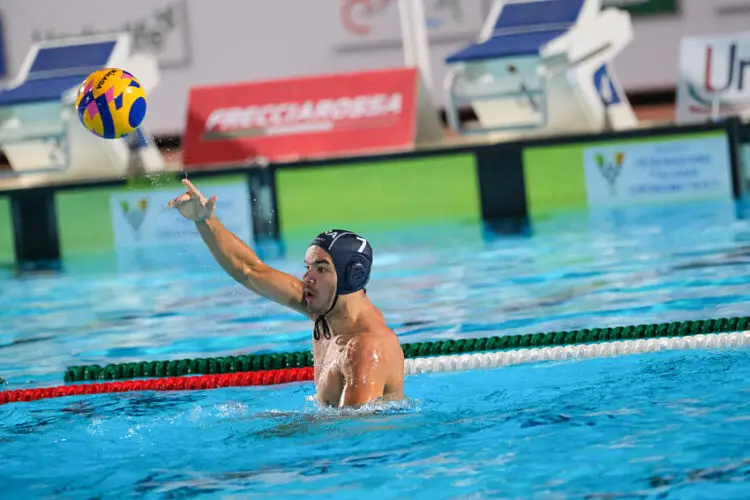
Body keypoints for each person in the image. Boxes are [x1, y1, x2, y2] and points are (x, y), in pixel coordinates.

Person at [167, 179, 404, 408]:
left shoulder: (366, 348)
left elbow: (353, 435)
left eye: (321, 269)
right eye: (307, 267)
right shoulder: (324, 309)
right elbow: (249, 270)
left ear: (352, 276)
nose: (307, 278)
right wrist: (204, 220)